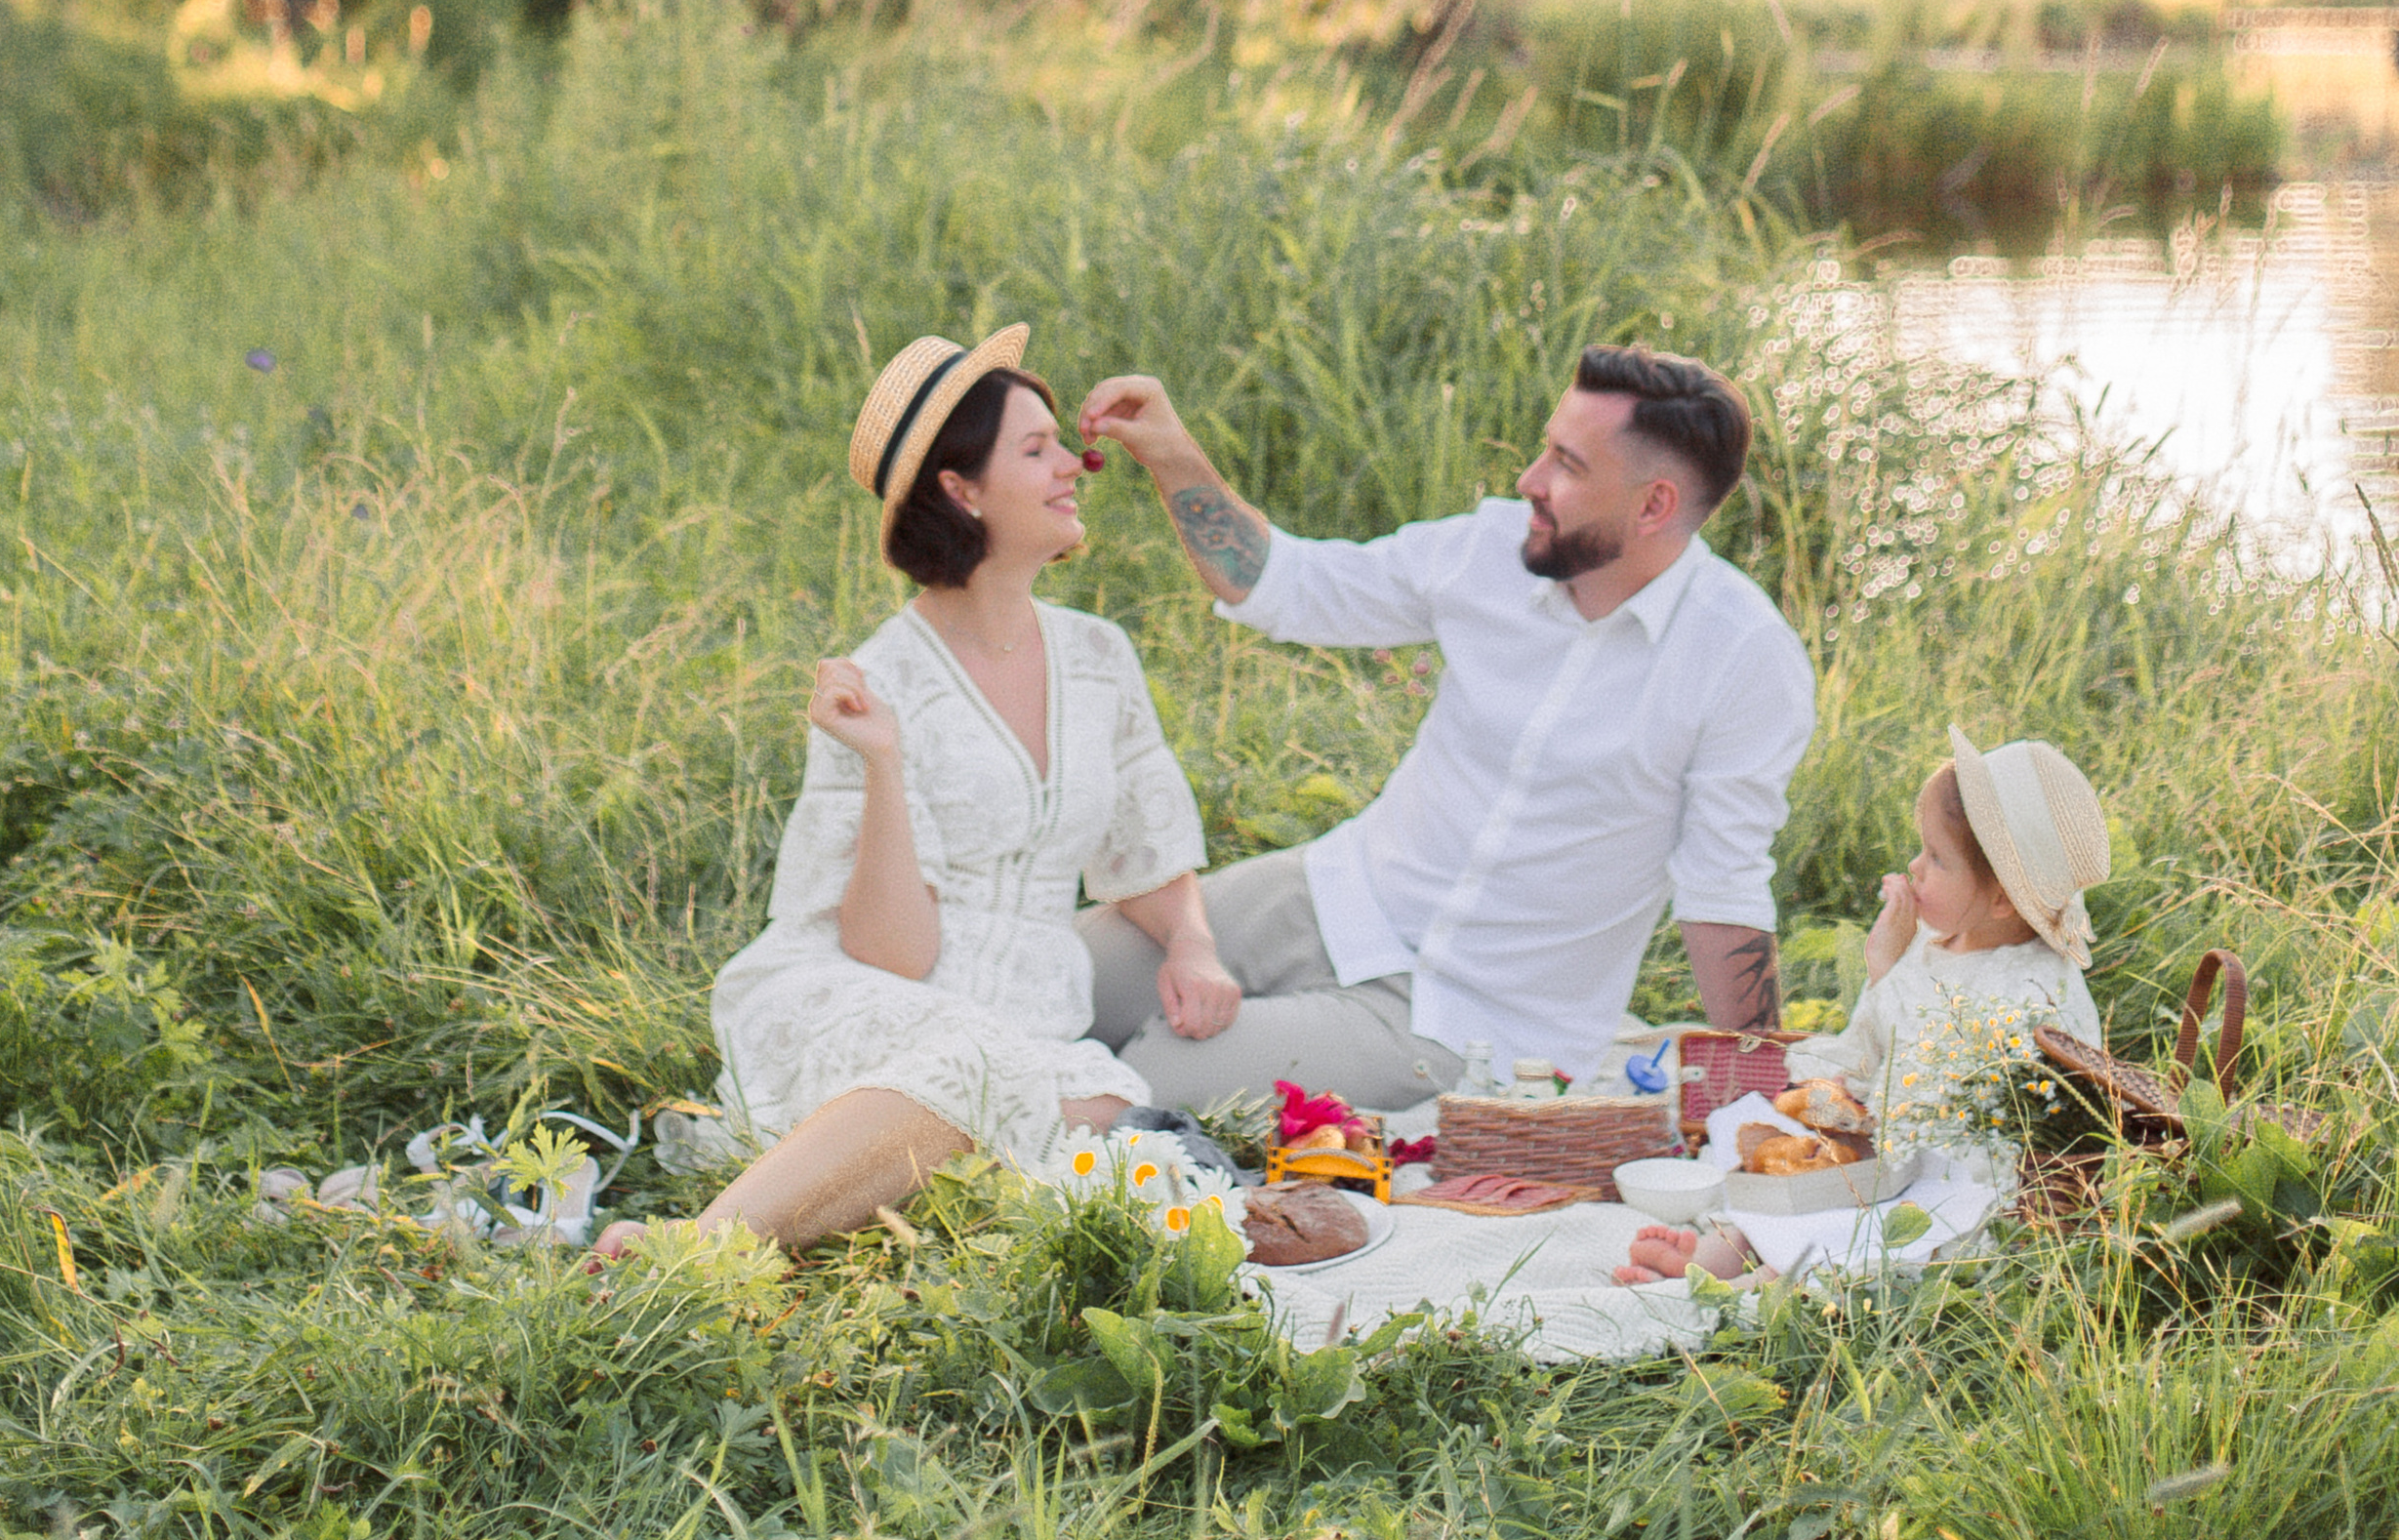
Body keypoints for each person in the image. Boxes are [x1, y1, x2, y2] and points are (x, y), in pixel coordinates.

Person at [590, 326, 1239, 1260]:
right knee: (980, 1073)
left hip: (1037, 1025)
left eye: (1062, 442)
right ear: (961, 490)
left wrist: (1192, 944)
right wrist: (882, 760)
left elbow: (1142, 846)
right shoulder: (876, 681)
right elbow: (891, 952)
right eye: (1036, 448)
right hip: (864, 993)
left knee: (1111, 1112)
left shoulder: (1100, 657)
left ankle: (820, 1191)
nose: (1072, 466)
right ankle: (697, 1254)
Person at [1075, 343, 1817, 1113]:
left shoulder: (1744, 661)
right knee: (1060, 980)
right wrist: (1170, 451)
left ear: (1654, 505)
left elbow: (1722, 890)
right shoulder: (1487, 551)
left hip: (1471, 1021)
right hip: (1337, 894)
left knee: (1133, 1086)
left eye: (1566, 465)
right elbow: (1283, 583)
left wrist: (1759, 1101)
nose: (1530, 481)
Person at [1614, 724, 2108, 1285]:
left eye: (1938, 859)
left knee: (1859, 1246)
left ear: (2002, 897)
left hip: (1961, 1191)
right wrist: (1839, 1097)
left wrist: (1885, 967)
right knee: (1779, 1170)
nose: (1916, 867)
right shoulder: (1941, 937)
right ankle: (1718, 1253)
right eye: (1921, 849)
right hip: (1892, 1160)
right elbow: (1871, 1050)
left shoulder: (2028, 994)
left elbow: (1932, 1095)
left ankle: (1753, 1289)